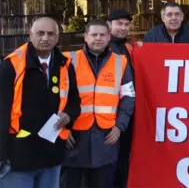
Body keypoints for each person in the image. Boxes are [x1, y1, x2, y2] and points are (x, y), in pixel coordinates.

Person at [0, 17, 80, 188]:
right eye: (40, 33)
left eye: (51, 34)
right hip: (19, 157)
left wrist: (69, 115)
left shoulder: (65, 65)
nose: (45, 38)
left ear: (58, 37)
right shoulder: (11, 66)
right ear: (30, 34)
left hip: (51, 156)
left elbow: (74, 101)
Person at [62, 19, 135, 188]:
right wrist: (62, 130)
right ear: (86, 37)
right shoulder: (67, 61)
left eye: (102, 35)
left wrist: (119, 127)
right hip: (74, 137)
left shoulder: (121, 62)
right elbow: (57, 99)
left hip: (106, 137)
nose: (98, 38)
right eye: (94, 34)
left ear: (109, 37)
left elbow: (129, 97)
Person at [106, 10, 135, 188]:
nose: (123, 28)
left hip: (127, 110)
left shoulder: (129, 48)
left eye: (126, 25)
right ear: (109, 25)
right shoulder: (104, 45)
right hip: (109, 113)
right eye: (119, 24)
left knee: (124, 156)